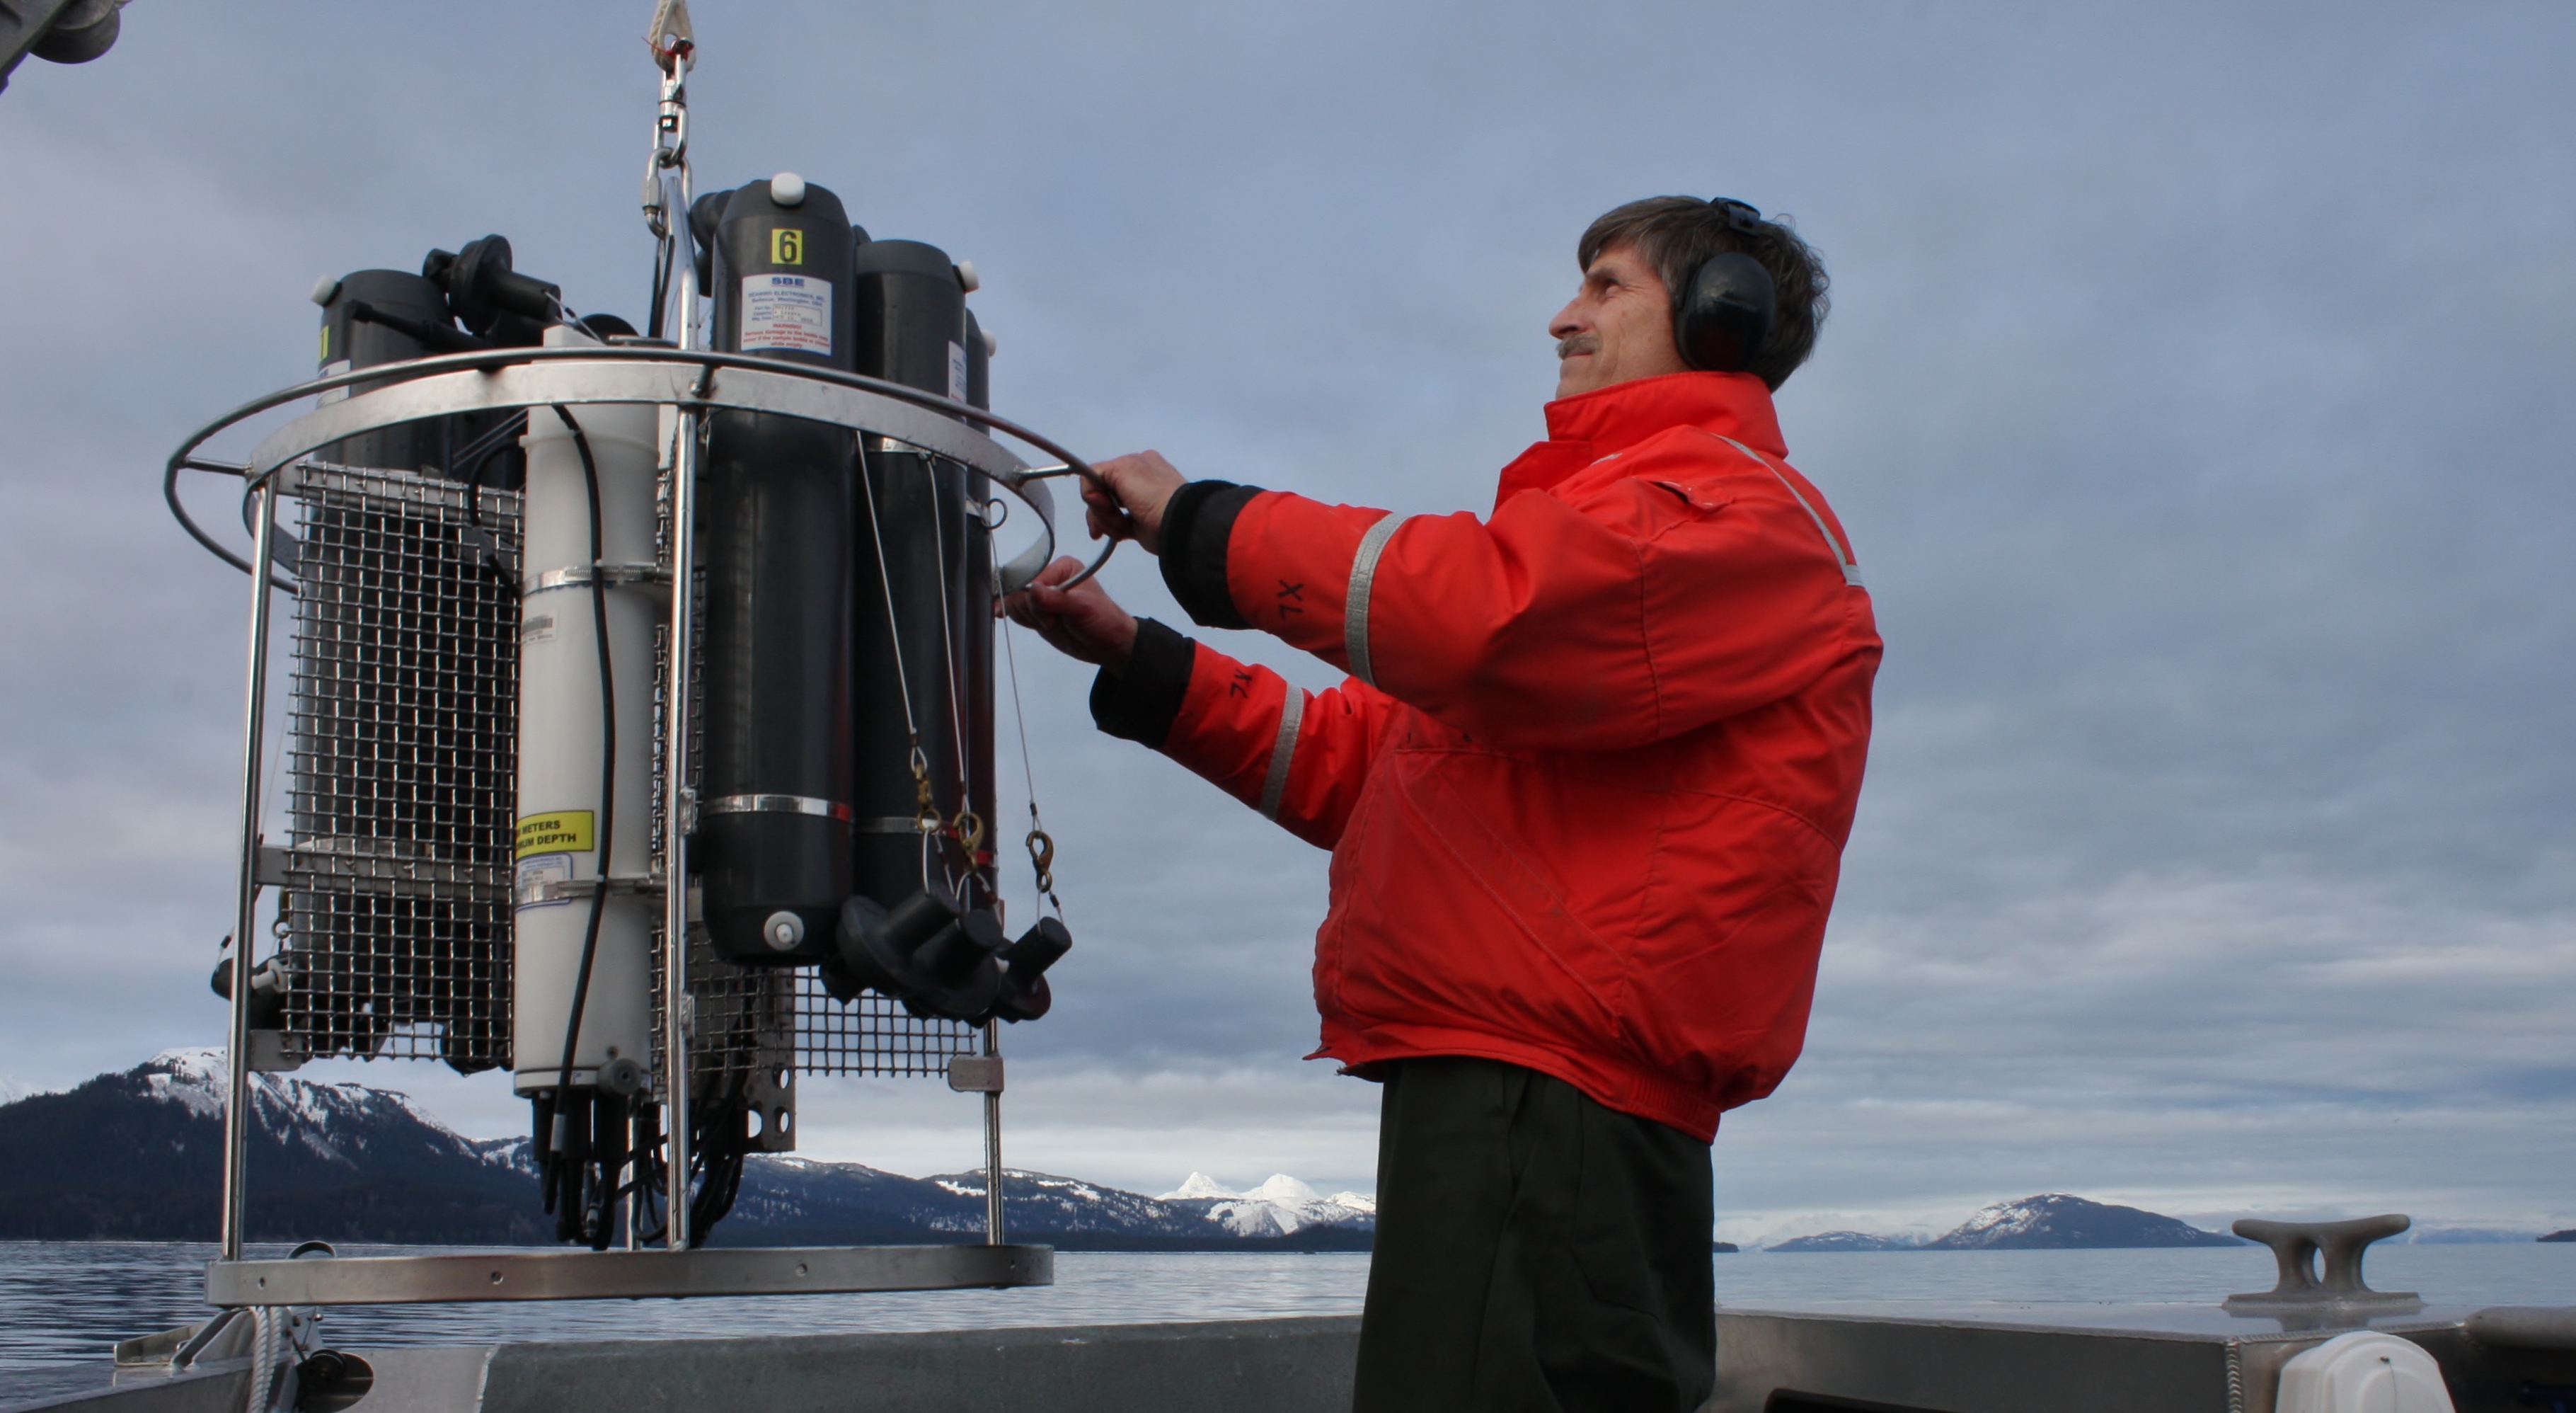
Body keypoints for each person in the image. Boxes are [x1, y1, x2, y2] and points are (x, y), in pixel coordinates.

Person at [1003, 195, 1880, 1412]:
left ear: (1723, 310)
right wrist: (1136, 657)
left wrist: (1202, 521)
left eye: (1606, 285)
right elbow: (1370, 770)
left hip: (1551, 1101)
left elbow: (1478, 617)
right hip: (1520, 1093)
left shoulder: (1730, 515)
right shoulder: (1616, 536)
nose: (1563, 316)